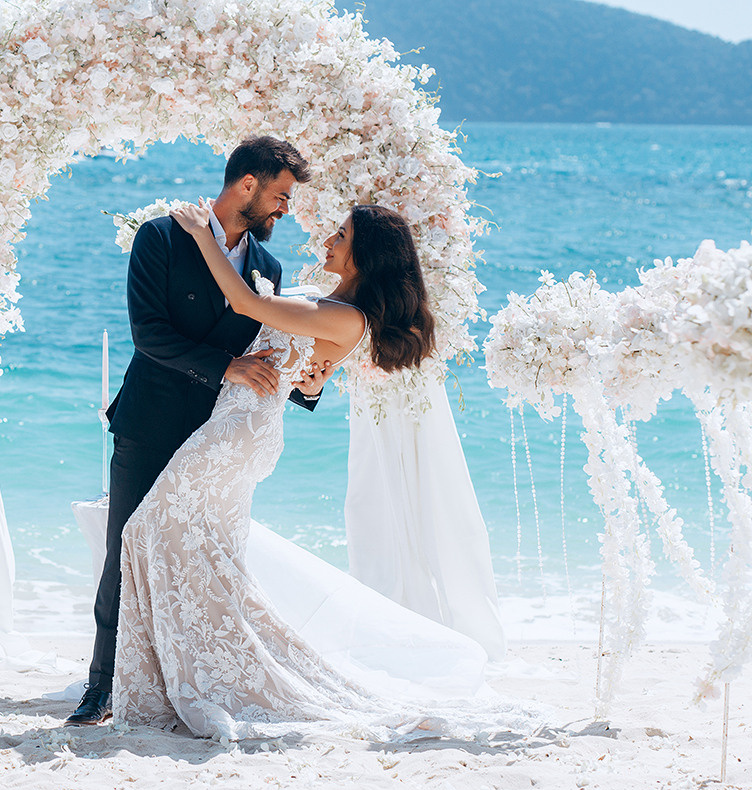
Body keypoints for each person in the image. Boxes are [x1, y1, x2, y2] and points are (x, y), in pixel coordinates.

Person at [113, 203, 528, 739]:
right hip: (234, 425)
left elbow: (245, 302)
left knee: (150, 530)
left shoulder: (345, 317)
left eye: (342, 234)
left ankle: (218, 672)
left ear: (364, 255)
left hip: (236, 434)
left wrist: (198, 236)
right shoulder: (336, 308)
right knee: (197, 549)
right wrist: (310, 381)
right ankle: (199, 671)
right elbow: (307, 371)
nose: (328, 239)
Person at [67, 136, 326, 725]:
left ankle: (179, 680)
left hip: (214, 441)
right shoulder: (160, 237)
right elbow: (148, 335)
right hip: (151, 423)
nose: (286, 210)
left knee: (199, 559)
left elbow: (270, 344)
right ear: (247, 185)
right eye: (281, 196)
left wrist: (306, 383)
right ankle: (102, 685)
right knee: (124, 554)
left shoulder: (269, 269)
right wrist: (227, 366)